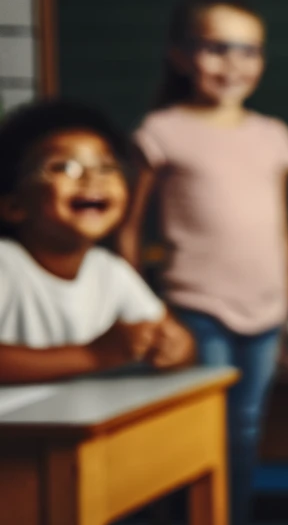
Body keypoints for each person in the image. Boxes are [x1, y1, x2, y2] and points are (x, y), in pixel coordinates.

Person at [119, 0, 288, 525]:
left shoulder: (272, 134)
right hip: (196, 307)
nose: (233, 63)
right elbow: (127, 229)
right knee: (208, 437)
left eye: (248, 50)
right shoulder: (162, 130)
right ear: (179, 55)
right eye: (216, 47)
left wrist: (284, 320)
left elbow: (281, 231)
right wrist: (145, 311)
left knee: (246, 434)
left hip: (265, 311)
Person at [0, 99, 193, 382]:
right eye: (64, 167)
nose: (93, 179)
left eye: (107, 167)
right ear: (14, 206)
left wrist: (178, 347)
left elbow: (168, 333)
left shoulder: (109, 271)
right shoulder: (6, 264)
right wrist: (93, 356)